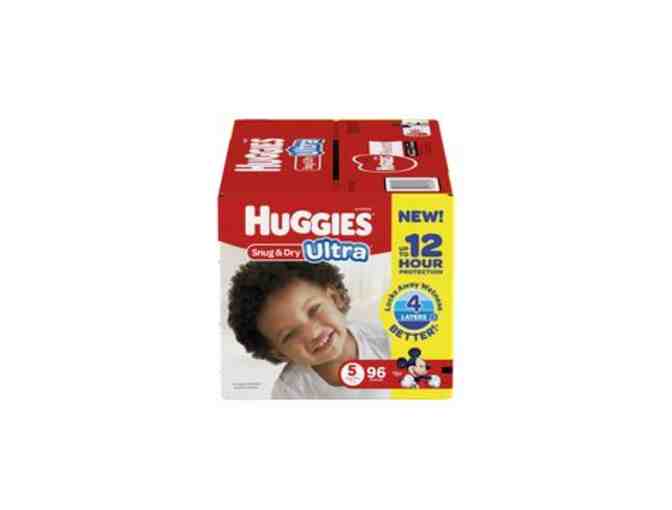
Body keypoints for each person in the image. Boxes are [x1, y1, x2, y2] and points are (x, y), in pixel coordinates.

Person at [227, 261, 390, 399]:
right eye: (290, 334)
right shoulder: (290, 392)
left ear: (335, 298)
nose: (313, 333)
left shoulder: (387, 340)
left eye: (314, 310)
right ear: (279, 353)